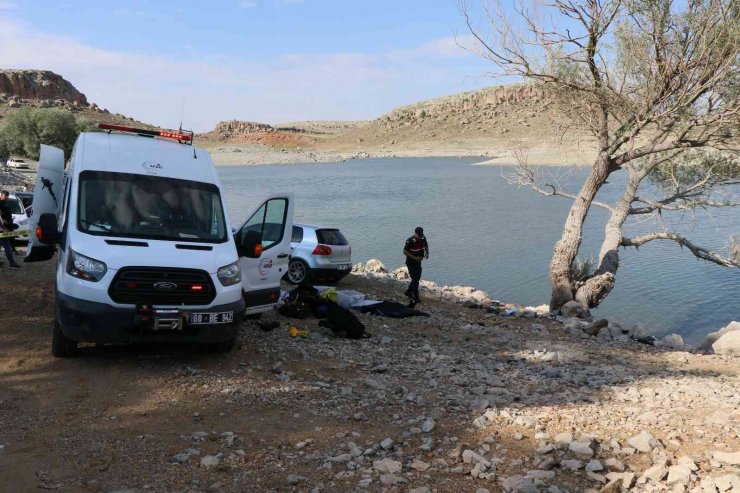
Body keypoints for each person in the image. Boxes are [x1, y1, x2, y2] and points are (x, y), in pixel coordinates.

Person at [403, 226, 429, 306]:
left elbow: (426, 245)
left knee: (416, 278)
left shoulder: (423, 238)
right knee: (415, 279)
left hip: (418, 262)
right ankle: (415, 296)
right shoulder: (410, 240)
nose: (420, 236)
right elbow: (405, 251)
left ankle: (408, 292)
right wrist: (414, 258)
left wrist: (427, 253)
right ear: (415, 233)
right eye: (419, 235)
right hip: (411, 262)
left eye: (421, 235)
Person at [0, 190, 21, 269]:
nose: (7, 198)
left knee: (7, 246)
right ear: (1, 195)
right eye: (5, 196)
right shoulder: (1, 204)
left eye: (7, 196)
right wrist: (4, 226)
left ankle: (12, 262)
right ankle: (12, 262)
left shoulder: (4, 204)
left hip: (5, 229)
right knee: (7, 246)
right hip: (2, 230)